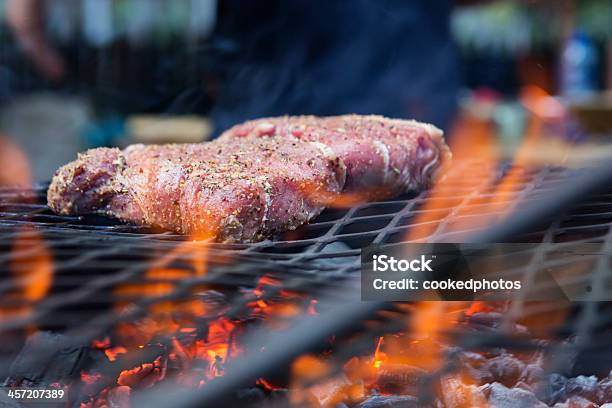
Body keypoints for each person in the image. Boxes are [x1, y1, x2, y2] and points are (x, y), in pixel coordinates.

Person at [5, 0, 460, 136]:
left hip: (264, 108)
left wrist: (31, 25)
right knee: (423, 284)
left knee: (262, 292)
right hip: (413, 104)